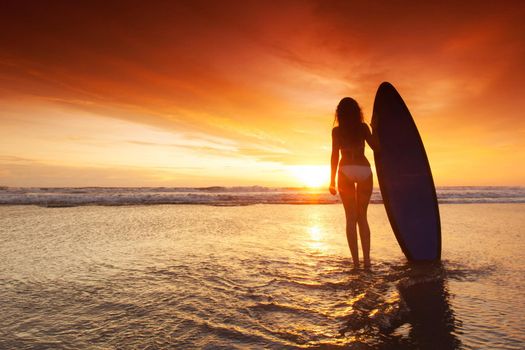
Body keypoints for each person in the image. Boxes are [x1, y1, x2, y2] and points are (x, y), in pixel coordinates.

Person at [329, 97, 378, 268]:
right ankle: (367, 262)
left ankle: (356, 264)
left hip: (346, 170)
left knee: (351, 218)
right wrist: (375, 129)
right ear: (357, 112)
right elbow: (377, 147)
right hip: (364, 170)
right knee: (362, 217)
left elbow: (335, 155)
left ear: (339, 113)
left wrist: (331, 180)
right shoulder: (363, 127)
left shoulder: (337, 131)